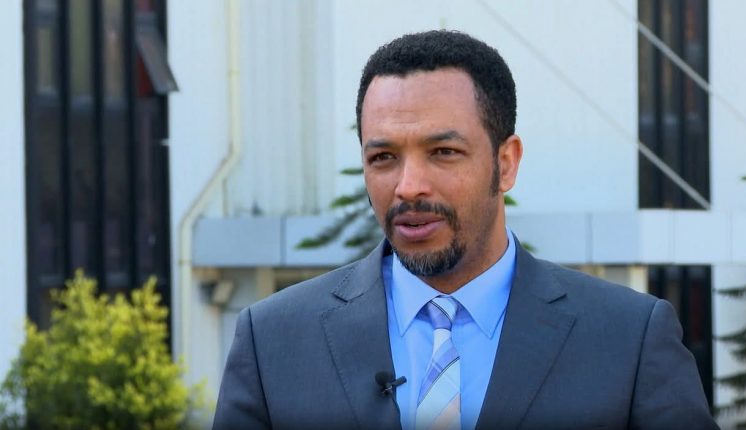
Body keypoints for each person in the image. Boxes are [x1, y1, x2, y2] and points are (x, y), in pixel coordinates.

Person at [213, 30, 717, 430]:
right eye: (383, 157)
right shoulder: (273, 341)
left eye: (443, 152)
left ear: (506, 162)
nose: (409, 186)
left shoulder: (628, 339)